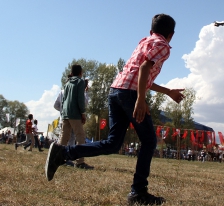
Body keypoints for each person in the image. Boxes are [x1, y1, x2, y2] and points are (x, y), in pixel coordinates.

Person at [45, 14, 183, 205]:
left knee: (112, 143)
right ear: (171, 35)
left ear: (151, 31)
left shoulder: (145, 41)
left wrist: (167, 91)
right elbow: (144, 69)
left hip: (116, 90)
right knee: (150, 141)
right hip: (130, 93)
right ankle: (138, 192)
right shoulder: (163, 46)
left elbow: (141, 74)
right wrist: (141, 100)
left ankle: (64, 153)